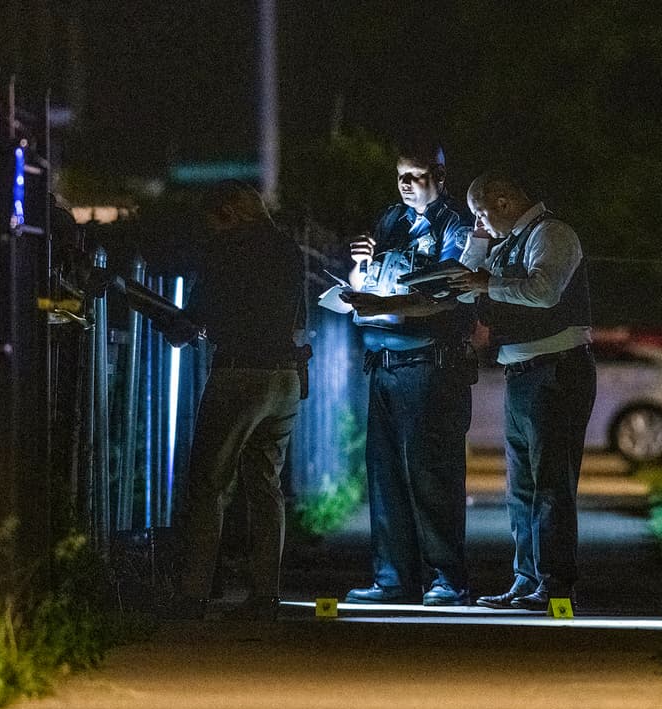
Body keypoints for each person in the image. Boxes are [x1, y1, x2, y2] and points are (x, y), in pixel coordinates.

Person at [448, 172, 596, 611]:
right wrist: (477, 246)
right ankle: (526, 580)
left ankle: (554, 586)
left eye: (481, 211)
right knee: (522, 487)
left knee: (550, 483)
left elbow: (545, 291)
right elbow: (462, 293)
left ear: (504, 199)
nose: (481, 221)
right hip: (521, 371)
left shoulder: (552, 234)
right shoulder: (507, 242)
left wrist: (486, 284)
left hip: (556, 370)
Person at [339, 141, 476, 606]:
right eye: (400, 175)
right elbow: (369, 285)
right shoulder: (390, 221)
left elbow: (440, 294)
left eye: (415, 175)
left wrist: (381, 304)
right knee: (385, 476)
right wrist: (359, 270)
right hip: (384, 361)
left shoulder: (455, 225)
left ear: (439, 174)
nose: (405, 184)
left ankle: (446, 578)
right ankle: (392, 577)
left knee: (431, 474)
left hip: (430, 363)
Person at [164, 179, 307, 620]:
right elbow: (296, 315)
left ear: (227, 213)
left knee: (209, 485)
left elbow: (196, 316)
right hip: (284, 378)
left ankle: (193, 594)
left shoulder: (224, 250)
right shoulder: (288, 251)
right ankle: (266, 595)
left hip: (238, 376)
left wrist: (177, 324)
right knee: (266, 486)